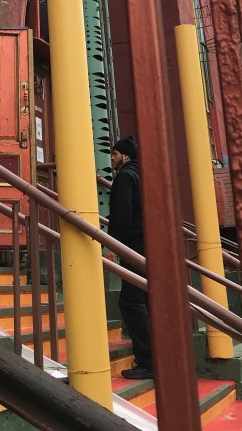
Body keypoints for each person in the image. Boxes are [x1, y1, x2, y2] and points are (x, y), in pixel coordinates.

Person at [109, 135, 153, 381]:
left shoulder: (125, 176)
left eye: (115, 154)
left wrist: (113, 244)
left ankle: (148, 362)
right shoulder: (143, 175)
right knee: (143, 300)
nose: (112, 158)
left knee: (131, 301)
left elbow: (122, 213)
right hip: (149, 244)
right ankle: (154, 358)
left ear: (125, 155)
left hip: (134, 245)